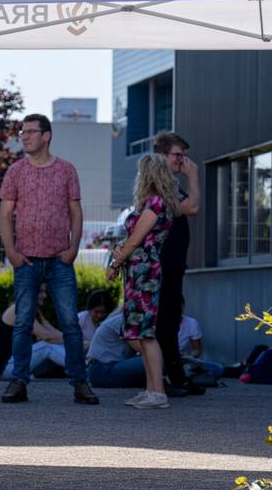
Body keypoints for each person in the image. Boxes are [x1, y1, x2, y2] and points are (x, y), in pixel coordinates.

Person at [0, 113, 99, 405]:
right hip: (26, 260)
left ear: (46, 136)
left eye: (30, 132)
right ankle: (19, 381)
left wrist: (73, 249)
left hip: (59, 260)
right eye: (22, 132)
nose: (24, 136)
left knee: (69, 322)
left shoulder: (66, 170)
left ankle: (80, 383)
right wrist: (12, 253)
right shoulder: (16, 171)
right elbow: (4, 214)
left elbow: (76, 213)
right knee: (22, 322)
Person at [107, 153, 180, 409]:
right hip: (139, 271)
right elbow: (132, 241)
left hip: (145, 273)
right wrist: (120, 255)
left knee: (145, 334)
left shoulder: (156, 204)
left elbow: (136, 239)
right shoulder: (155, 203)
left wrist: (115, 263)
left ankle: (157, 392)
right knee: (138, 332)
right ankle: (151, 389)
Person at [152, 132, 203, 397]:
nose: (182, 161)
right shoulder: (160, 186)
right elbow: (192, 207)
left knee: (170, 322)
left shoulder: (169, 184)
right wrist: (193, 177)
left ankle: (176, 376)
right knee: (164, 323)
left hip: (172, 264)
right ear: (161, 155)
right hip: (162, 265)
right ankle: (167, 379)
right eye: (177, 155)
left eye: (183, 156)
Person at [86, 310, 146, 389]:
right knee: (157, 360)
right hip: (102, 370)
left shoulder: (136, 318)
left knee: (155, 361)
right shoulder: (127, 319)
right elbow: (143, 350)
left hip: (109, 367)